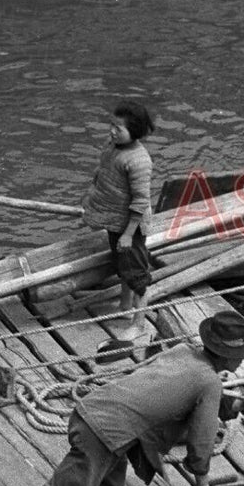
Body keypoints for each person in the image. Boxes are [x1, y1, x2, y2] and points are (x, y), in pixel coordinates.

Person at [0, 311, 244, 486]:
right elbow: (202, 436)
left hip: (92, 412)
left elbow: (175, 391)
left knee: (109, 483)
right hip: (105, 433)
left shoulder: (182, 351)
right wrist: (202, 481)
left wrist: (235, 406)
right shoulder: (209, 381)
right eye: (241, 355)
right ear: (227, 355)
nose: (243, 359)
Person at [81, 100, 156, 343]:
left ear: (134, 131)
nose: (112, 131)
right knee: (122, 264)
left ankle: (139, 323)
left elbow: (141, 200)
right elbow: (101, 173)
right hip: (115, 219)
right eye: (111, 125)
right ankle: (125, 306)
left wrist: (127, 233)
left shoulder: (139, 161)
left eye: (119, 128)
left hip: (130, 225)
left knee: (137, 275)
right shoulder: (113, 147)